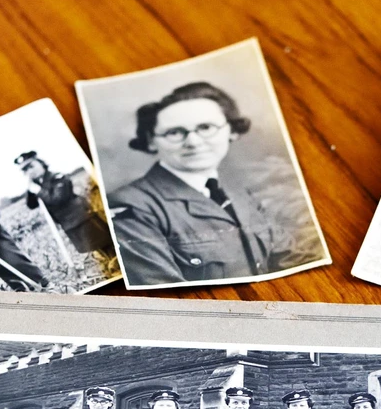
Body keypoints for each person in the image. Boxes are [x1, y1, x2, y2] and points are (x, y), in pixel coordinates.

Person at [109, 82, 307, 285]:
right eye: (175, 132)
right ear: (151, 141)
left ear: (232, 130)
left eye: (206, 127)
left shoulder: (238, 194)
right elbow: (166, 295)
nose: (193, 142)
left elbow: (292, 260)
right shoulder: (132, 206)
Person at [14, 150, 111, 257]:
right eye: (25, 170)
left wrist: (38, 190)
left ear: (40, 163)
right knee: (97, 250)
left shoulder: (57, 177)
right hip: (69, 224)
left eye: (31, 166)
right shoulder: (38, 185)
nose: (30, 171)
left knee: (106, 246)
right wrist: (30, 189)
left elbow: (58, 199)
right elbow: (32, 205)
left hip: (82, 219)